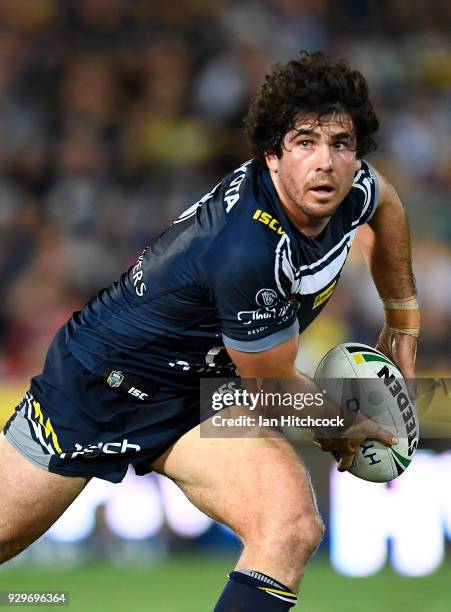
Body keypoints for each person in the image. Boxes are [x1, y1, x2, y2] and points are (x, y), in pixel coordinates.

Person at [0, 52, 419, 610]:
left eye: (341, 144)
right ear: (272, 154)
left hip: (199, 393)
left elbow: (386, 203)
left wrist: (403, 320)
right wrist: (347, 428)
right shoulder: (248, 249)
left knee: (289, 528)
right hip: (99, 385)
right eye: (304, 142)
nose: (326, 163)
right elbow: (270, 391)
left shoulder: (351, 189)